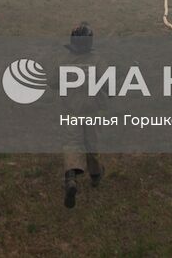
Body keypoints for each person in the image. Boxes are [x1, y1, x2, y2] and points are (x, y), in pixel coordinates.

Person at [61, 21, 103, 208]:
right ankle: (95, 175)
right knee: (91, 141)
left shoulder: (65, 60)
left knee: (72, 141)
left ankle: (71, 178)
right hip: (91, 108)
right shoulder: (97, 61)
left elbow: (53, 81)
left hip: (71, 108)